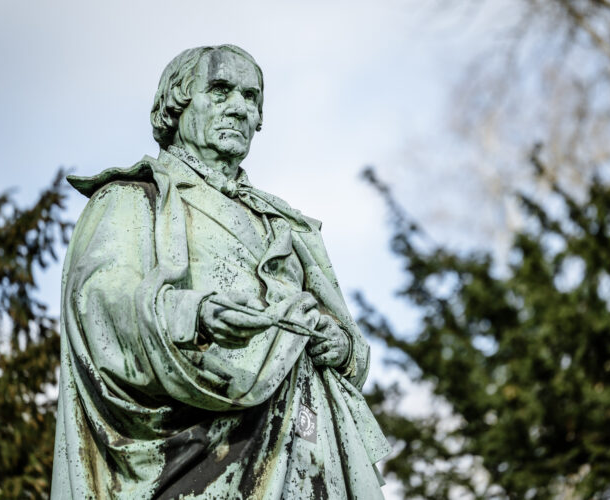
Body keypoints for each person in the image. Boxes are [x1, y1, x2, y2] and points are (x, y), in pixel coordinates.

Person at [50, 44, 390, 499]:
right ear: (177, 104)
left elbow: (348, 339)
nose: (240, 108)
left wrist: (341, 344)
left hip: (304, 435)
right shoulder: (133, 199)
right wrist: (195, 314)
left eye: (251, 98)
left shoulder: (282, 223)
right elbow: (97, 303)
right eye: (221, 90)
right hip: (200, 444)